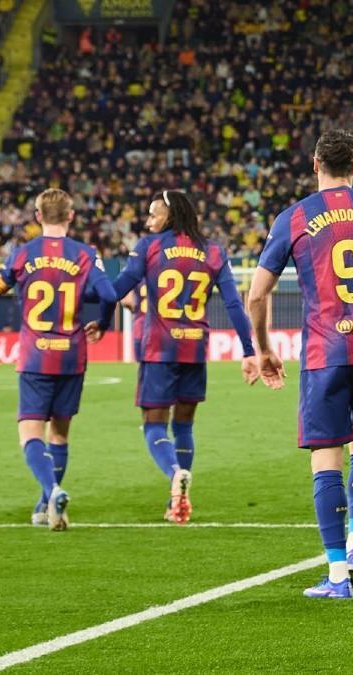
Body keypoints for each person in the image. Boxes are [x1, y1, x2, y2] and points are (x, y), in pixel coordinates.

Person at [248, 129, 353, 599]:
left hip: (324, 352)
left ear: (315, 164)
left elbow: (256, 294)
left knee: (325, 459)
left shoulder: (295, 217)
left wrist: (263, 348)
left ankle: (337, 575)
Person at [0, 188, 118, 530]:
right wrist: (105, 323)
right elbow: (109, 294)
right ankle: (45, 504)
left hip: (35, 355)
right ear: (70, 216)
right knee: (60, 435)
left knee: (30, 433)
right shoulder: (85, 254)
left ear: (38, 217)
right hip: (72, 355)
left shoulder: (22, 254)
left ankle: (51, 491)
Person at [111, 190, 260, 524]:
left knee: (153, 425)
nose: (148, 221)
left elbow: (116, 291)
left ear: (170, 215)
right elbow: (234, 305)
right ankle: (179, 501)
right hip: (195, 347)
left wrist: (88, 293)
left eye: (153, 214)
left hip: (159, 349)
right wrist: (249, 351)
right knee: (185, 425)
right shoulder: (213, 251)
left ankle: (174, 473)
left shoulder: (149, 247)